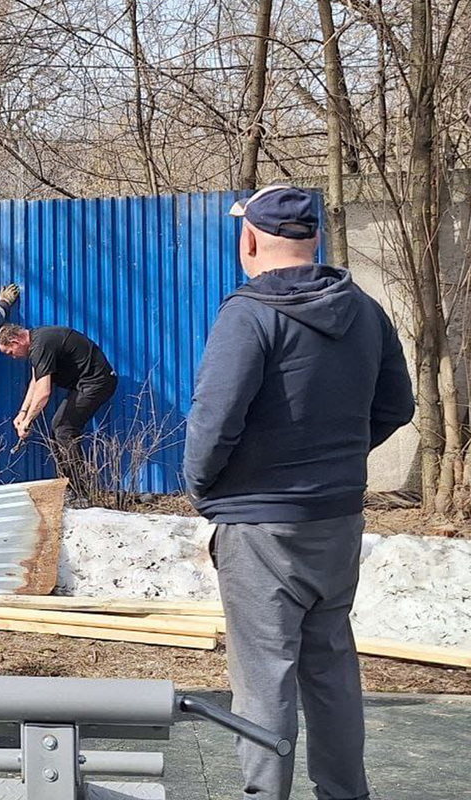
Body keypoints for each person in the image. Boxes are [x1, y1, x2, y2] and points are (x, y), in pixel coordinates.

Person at [184, 185, 414, 799]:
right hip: (336, 518)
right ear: (315, 238)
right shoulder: (364, 308)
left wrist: (205, 488)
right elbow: (398, 405)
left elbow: (214, 420)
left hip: (260, 526)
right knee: (331, 666)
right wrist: (336, 461)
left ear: (251, 239)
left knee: (263, 677)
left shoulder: (249, 314)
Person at [0, 323, 117, 492]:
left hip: (97, 382)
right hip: (86, 384)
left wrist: (28, 421)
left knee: (63, 428)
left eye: (10, 353)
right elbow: (36, 382)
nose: (13, 357)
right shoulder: (38, 342)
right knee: (60, 428)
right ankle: (71, 486)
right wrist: (22, 413)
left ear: (15, 342)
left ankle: (79, 490)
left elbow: (44, 392)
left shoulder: (41, 345)